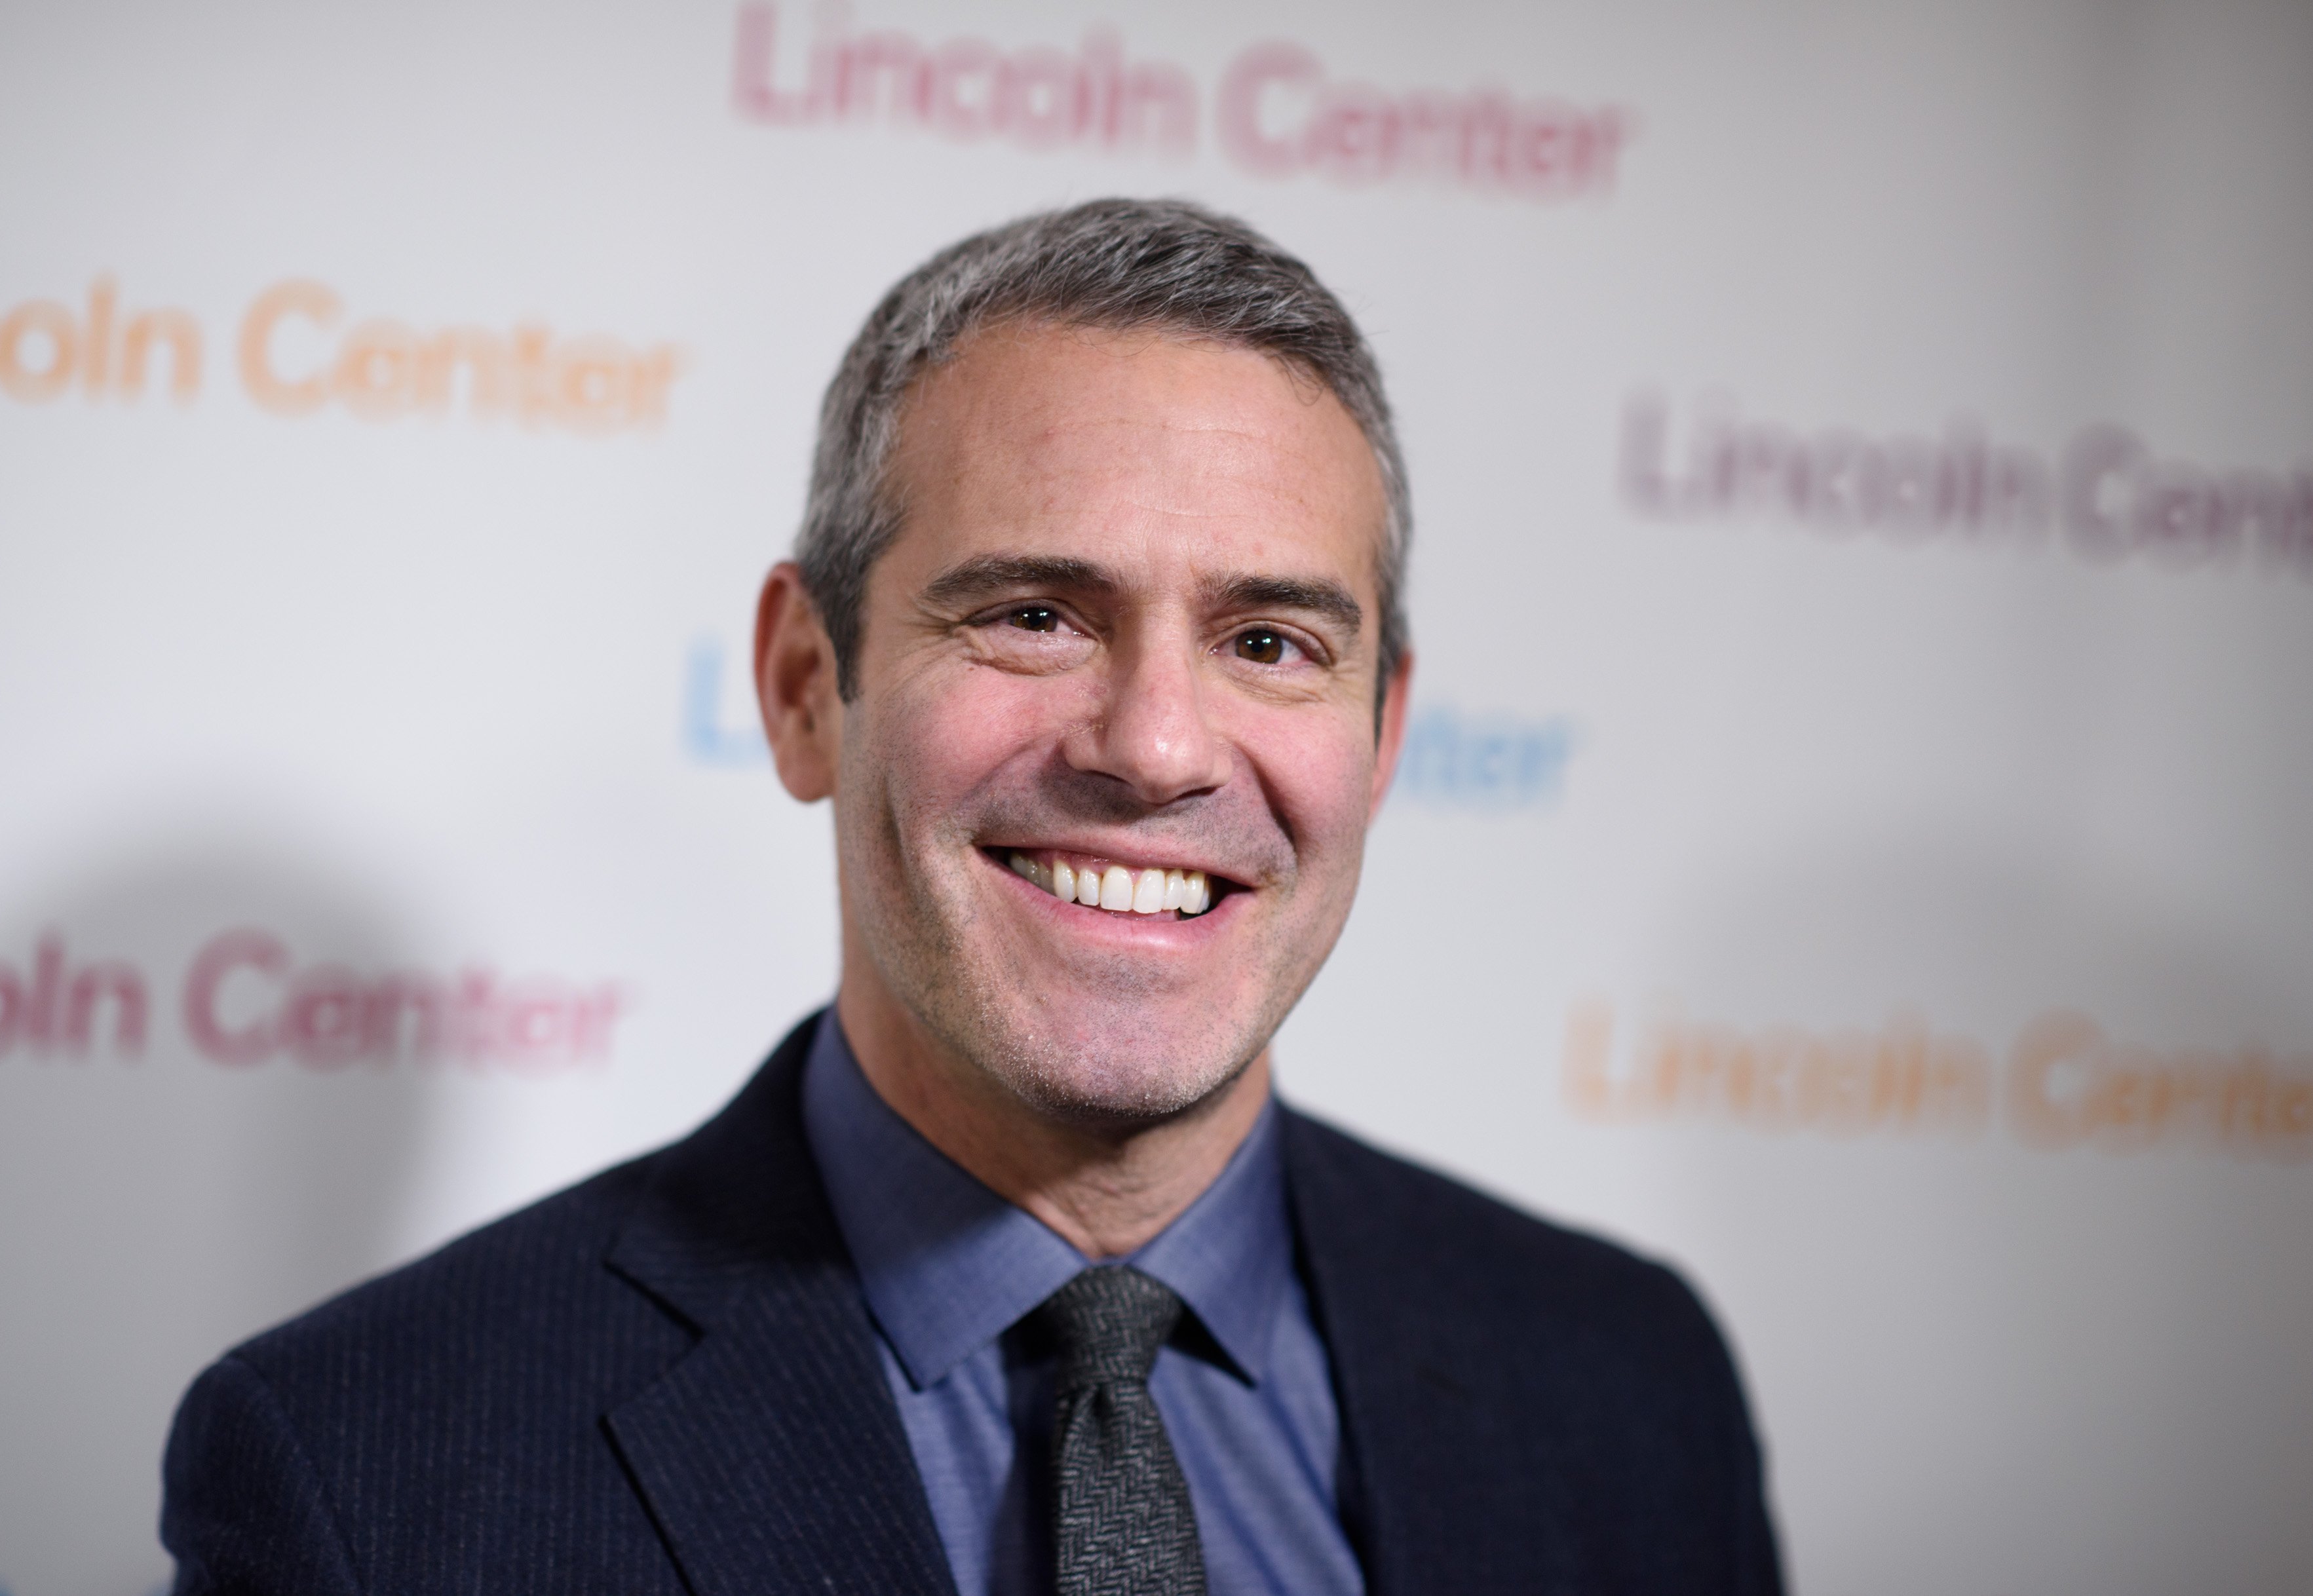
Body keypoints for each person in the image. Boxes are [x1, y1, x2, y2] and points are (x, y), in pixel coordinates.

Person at [162, 199, 1784, 1595]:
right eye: (1030, 614)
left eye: (1271, 644)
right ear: (806, 687)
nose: (1153, 748)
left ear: (1382, 734)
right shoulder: (366, 1475)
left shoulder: (1628, 1390)